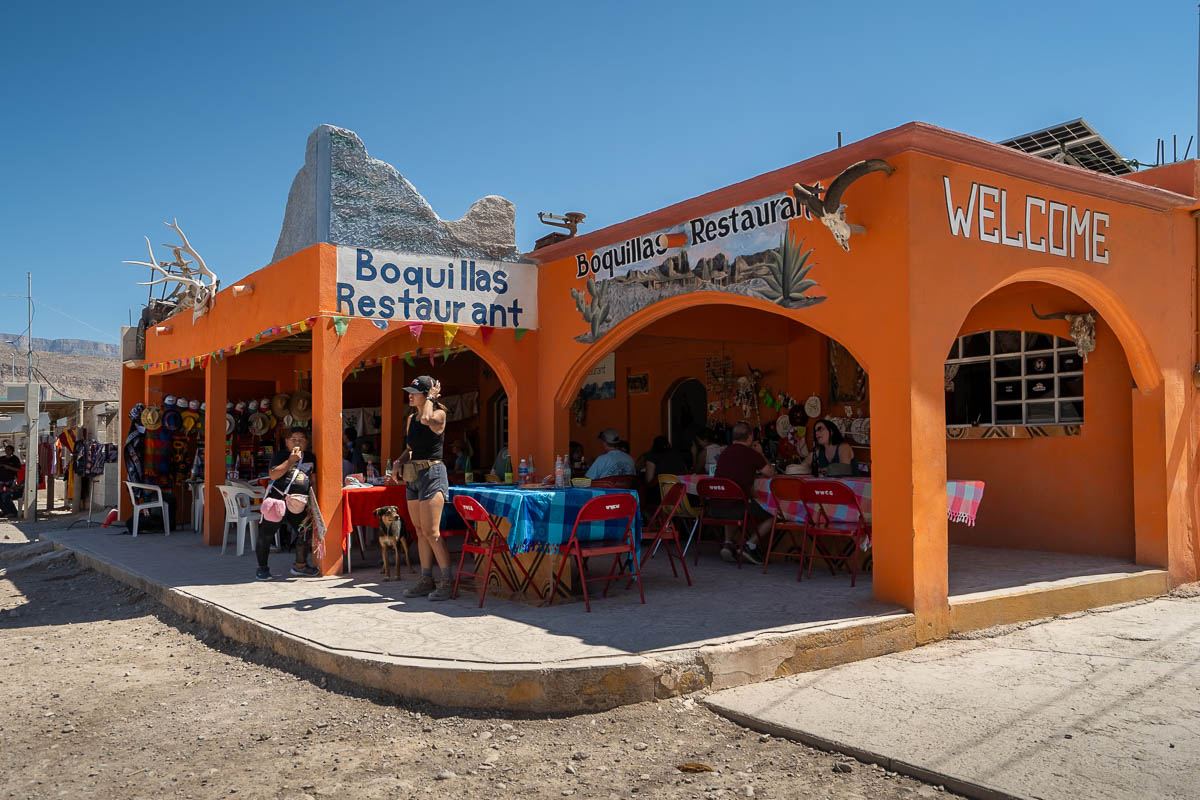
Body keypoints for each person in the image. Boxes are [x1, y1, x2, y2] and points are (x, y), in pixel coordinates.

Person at [390, 375, 455, 601]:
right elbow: (410, 448)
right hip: (414, 475)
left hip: (433, 473)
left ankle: (447, 581)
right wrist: (398, 462)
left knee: (432, 531)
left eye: (414, 392)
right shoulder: (411, 419)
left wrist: (430, 399)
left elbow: (428, 419)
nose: (409, 395)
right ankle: (427, 579)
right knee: (419, 530)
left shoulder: (438, 415)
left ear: (427, 394)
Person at [256, 428, 319, 580]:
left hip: (299, 504)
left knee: (305, 532)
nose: (297, 442)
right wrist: (291, 460)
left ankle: (300, 566)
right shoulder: (280, 455)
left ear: (307, 442)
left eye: (301, 439)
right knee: (266, 535)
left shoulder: (310, 457)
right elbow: (273, 474)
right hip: (277, 501)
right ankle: (262, 568)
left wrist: (314, 503)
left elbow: (313, 480)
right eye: (294, 439)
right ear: (287, 442)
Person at [711, 421, 777, 565]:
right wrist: (760, 453)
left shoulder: (723, 454)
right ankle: (749, 545)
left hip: (715, 507)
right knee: (775, 513)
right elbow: (771, 473)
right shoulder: (751, 454)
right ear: (750, 437)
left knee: (732, 501)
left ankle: (728, 544)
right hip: (738, 508)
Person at [640, 435, 688, 512]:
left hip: (662, 496)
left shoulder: (652, 456)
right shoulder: (678, 455)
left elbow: (649, 480)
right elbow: (685, 472)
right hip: (681, 495)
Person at [0, 444, 21, 517]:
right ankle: (5, 511)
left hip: (11, 481)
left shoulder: (15, 459)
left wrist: (8, 467)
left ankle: (13, 512)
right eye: (6, 449)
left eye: (9, 450)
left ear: (12, 451)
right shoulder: (2, 458)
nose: (7, 451)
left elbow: (18, 469)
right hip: (1, 481)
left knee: (6, 495)